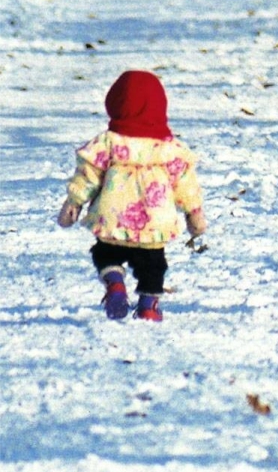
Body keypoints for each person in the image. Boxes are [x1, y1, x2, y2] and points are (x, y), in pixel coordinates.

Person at [57, 70, 207, 322]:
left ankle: (115, 282)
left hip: (113, 219)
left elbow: (88, 175)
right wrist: (194, 213)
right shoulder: (169, 149)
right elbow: (185, 183)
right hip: (153, 223)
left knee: (105, 253)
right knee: (153, 265)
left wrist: (74, 202)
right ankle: (149, 304)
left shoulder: (108, 143)